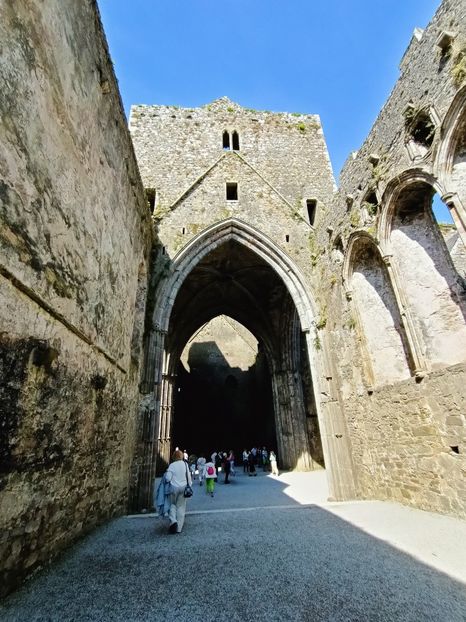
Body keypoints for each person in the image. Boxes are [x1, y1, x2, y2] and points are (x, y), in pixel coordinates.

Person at [166, 449, 192, 534]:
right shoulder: (185, 464)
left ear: (174, 456)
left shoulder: (172, 465)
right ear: (181, 456)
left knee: (172, 505)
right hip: (184, 487)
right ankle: (179, 528)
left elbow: (168, 478)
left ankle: (173, 521)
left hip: (174, 488)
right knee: (181, 507)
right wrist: (189, 485)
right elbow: (188, 476)